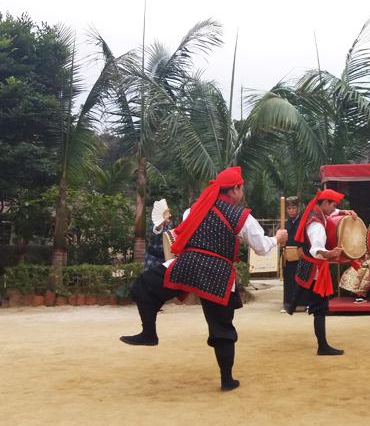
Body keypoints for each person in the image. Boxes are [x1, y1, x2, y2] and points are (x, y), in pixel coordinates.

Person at [120, 167, 288, 391]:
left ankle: (149, 333)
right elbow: (261, 247)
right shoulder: (242, 218)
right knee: (222, 328)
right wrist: (277, 238)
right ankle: (227, 380)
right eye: (242, 188)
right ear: (235, 190)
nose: (243, 192)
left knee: (143, 286)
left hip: (188, 265)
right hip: (218, 273)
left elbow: (182, 234)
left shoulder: (194, 209)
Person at [286, 189, 357, 356]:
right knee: (320, 307)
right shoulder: (317, 224)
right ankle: (322, 346)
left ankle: (292, 304)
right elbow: (316, 249)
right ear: (325, 203)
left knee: (304, 283)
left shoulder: (316, 212)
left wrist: (344, 212)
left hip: (309, 264)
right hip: (316, 268)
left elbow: (332, 213)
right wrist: (330, 254)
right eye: (333, 205)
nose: (334, 209)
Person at [282, 196, 303, 312]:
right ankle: (288, 303)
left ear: (298, 208)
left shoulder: (302, 222)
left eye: (293, 208)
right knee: (288, 279)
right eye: (289, 208)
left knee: (300, 278)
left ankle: (303, 303)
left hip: (300, 254)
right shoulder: (286, 223)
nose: (291, 211)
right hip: (288, 255)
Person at [144, 204, 172, 270]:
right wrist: (162, 220)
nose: (170, 215)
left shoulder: (169, 225)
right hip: (153, 260)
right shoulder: (156, 226)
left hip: (164, 260)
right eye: (168, 213)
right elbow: (157, 229)